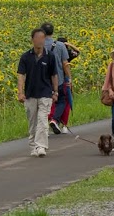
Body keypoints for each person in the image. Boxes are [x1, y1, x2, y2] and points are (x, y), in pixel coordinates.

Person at [16, 27, 59, 158]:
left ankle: (41, 146)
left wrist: (55, 91)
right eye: (38, 38)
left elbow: (54, 75)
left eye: (42, 38)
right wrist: (20, 92)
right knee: (32, 121)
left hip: (45, 92)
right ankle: (33, 145)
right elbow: (21, 75)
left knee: (42, 120)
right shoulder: (25, 57)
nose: (40, 41)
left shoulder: (50, 56)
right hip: (30, 93)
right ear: (32, 40)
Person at [41, 22, 77, 135]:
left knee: (44, 103)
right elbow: (65, 63)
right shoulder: (60, 46)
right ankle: (55, 120)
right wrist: (69, 79)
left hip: (43, 80)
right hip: (59, 79)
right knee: (61, 100)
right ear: (52, 32)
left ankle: (43, 127)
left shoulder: (39, 45)